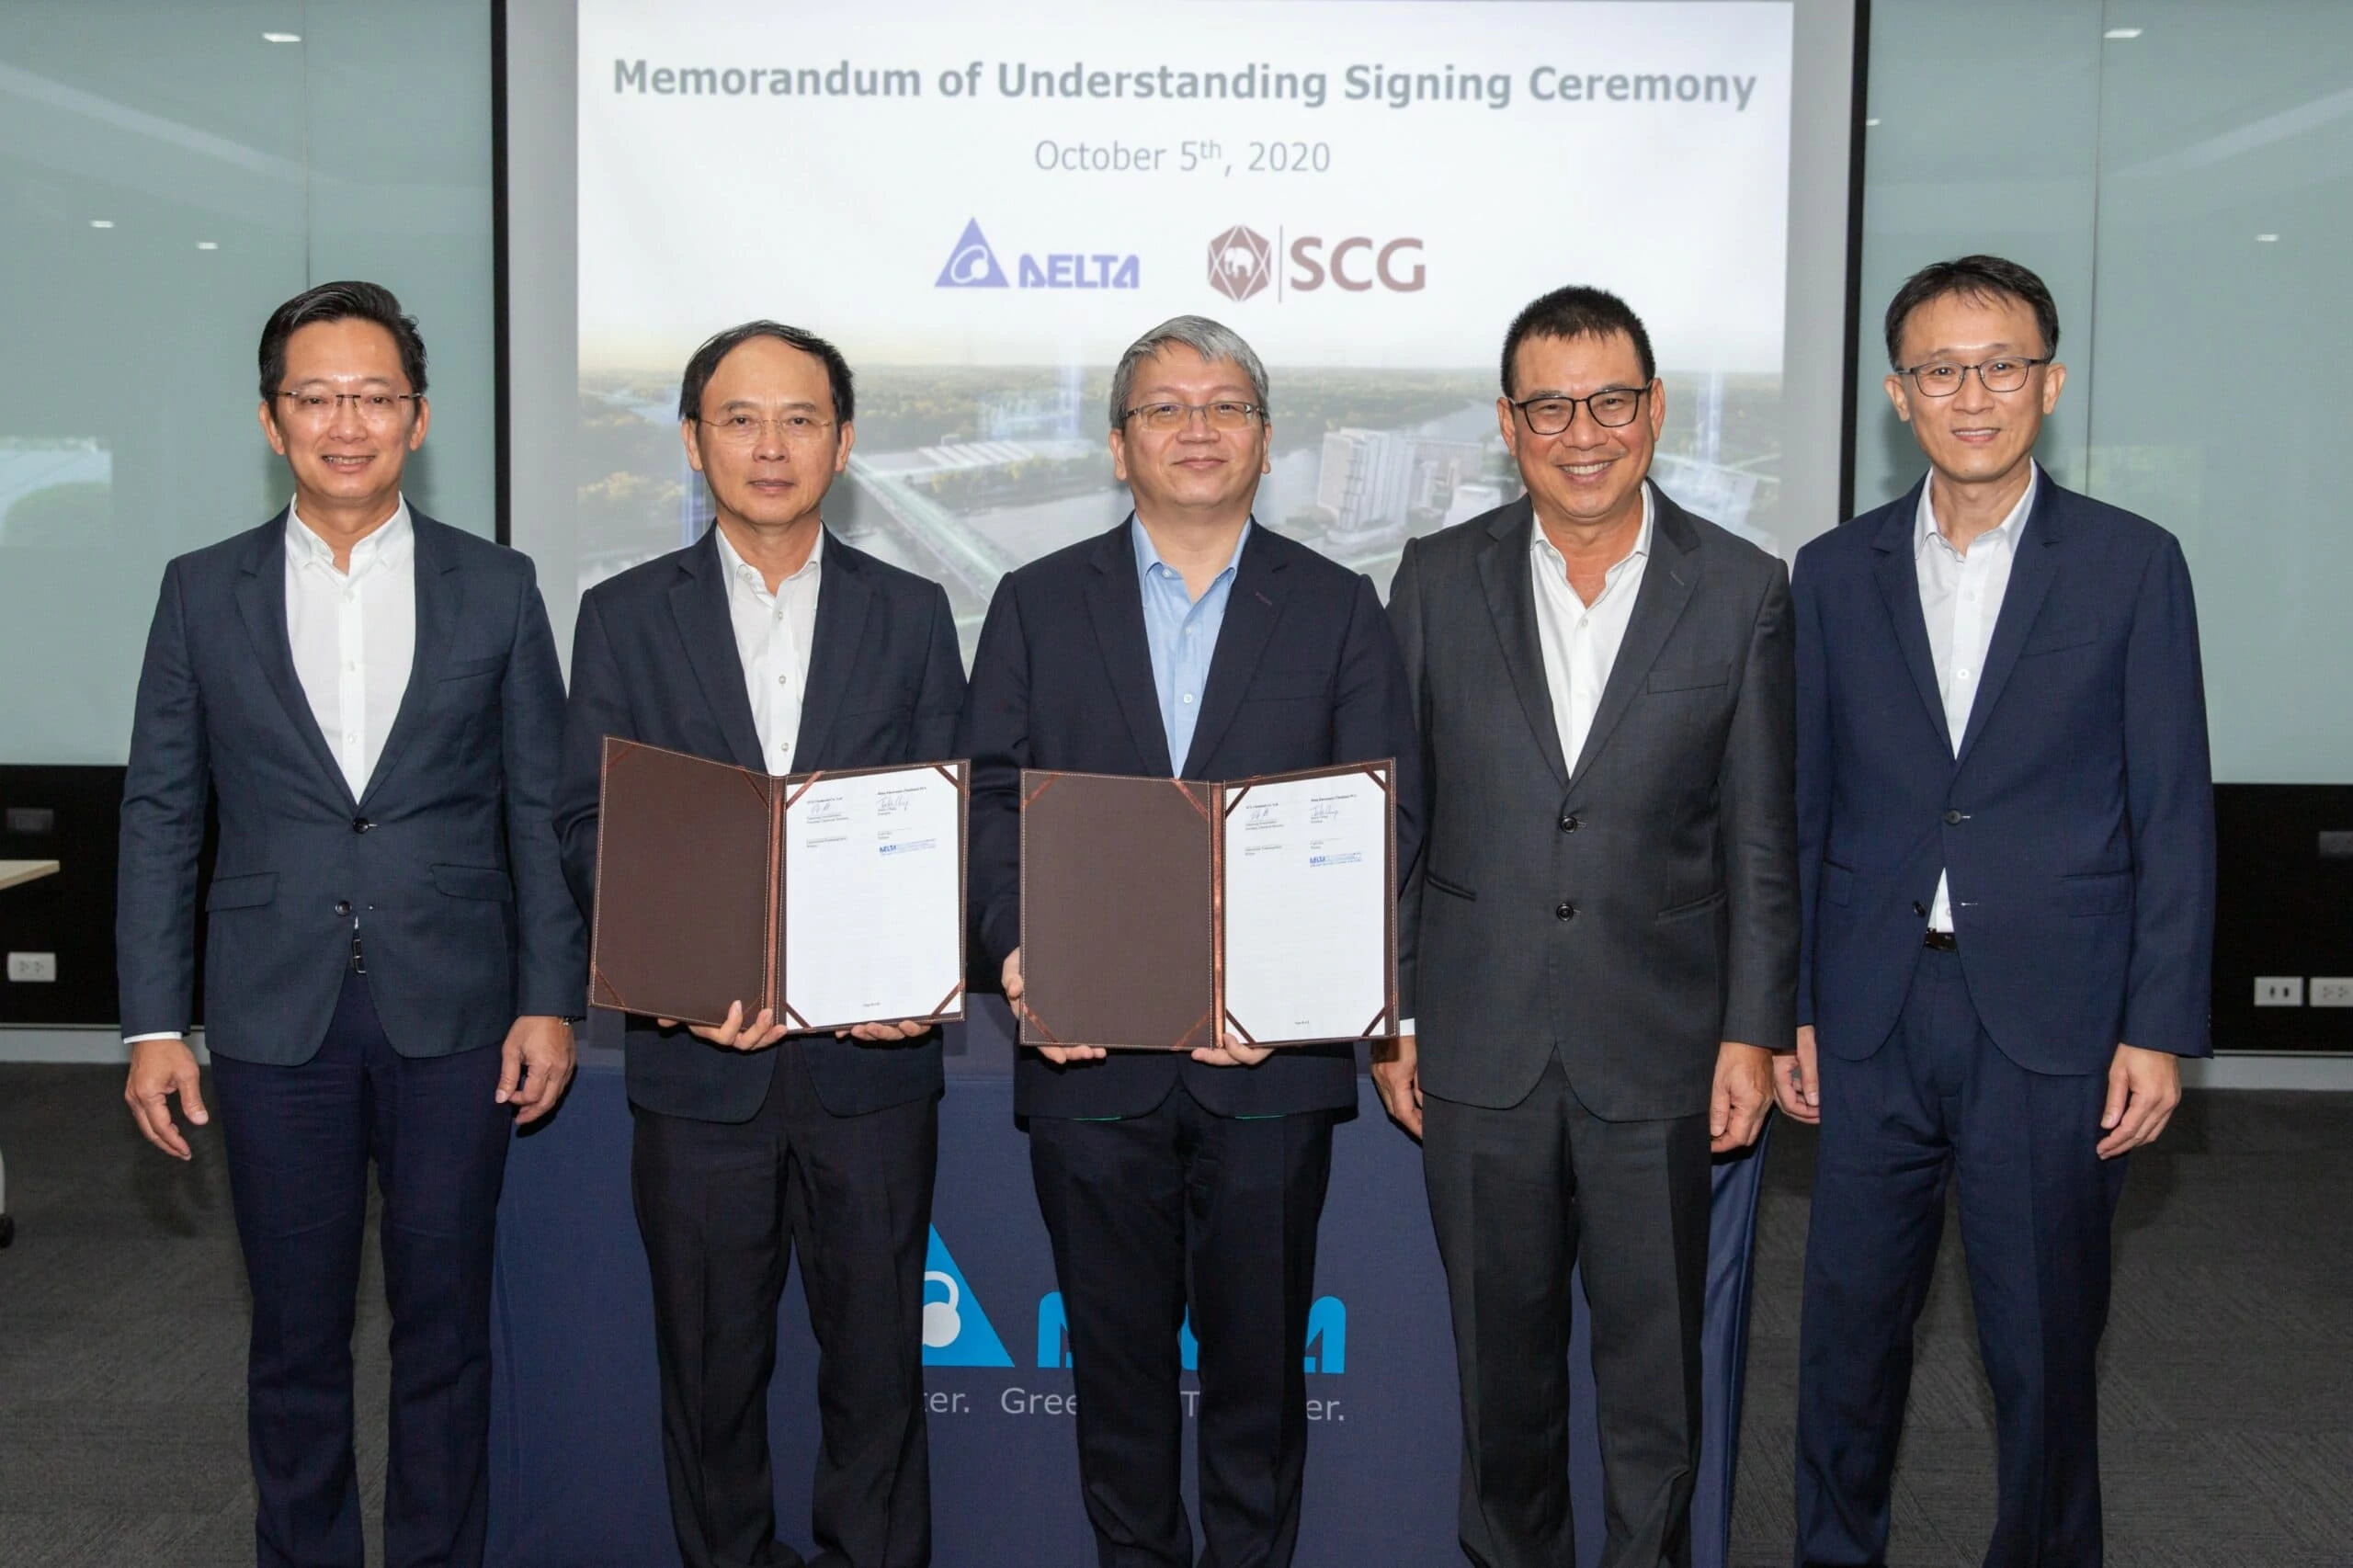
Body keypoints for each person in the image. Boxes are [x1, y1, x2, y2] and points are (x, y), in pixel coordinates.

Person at [117, 280, 584, 1568]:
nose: (346, 422)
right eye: (315, 397)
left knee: (445, 1329)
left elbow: (538, 807)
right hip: (274, 1015)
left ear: (418, 419)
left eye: (375, 397)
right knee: (294, 1337)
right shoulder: (200, 590)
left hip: (460, 1010)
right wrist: (153, 1022)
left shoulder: (497, 586)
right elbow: (162, 812)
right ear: (271, 420)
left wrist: (551, 995)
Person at [960, 315, 1420, 1568]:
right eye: (1164, 407)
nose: (1197, 427)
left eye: (1225, 405)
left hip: (1267, 1069)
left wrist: (1297, 994)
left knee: (1260, 1386)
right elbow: (987, 801)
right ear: (1120, 446)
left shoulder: (1336, 606)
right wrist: (1014, 948)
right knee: (1115, 1382)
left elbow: (1382, 817)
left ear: (1265, 440)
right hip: (1089, 1062)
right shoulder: (1036, 602)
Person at [1785, 255, 2212, 1568]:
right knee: (1846, 1346)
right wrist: (1790, 1004)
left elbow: (2173, 808)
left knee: (2044, 1349)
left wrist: (2158, 1025)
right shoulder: (1831, 571)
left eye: (2002, 365)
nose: (1973, 395)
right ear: (1898, 394)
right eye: (1941, 370)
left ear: (2051, 382)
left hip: (2055, 1018)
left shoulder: (2133, 565)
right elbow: (1803, 807)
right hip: (1870, 1011)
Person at [1375, 285, 1795, 1568]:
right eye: (1550, 406)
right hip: (1476, 1039)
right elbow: (1398, 817)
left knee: (1655, 1386)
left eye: (1610, 400)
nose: (1583, 432)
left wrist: (1753, 1031)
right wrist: (1392, 1011)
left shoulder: (1743, 589)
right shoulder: (1435, 577)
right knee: (1500, 1385)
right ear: (1509, 425)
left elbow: (1760, 838)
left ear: (1654, 409)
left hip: (1661, 1044)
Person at [554, 321, 965, 1568]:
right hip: (699, 1065)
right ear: (694, 442)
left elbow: (949, 814)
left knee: (880, 1375)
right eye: (739, 419)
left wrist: (921, 966)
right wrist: (673, 974)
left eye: (800, 419)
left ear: (843, 442)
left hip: (871, 1068)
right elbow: (586, 821)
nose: (770, 445)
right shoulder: (623, 615)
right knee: (708, 1375)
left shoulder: (913, 612)